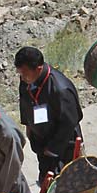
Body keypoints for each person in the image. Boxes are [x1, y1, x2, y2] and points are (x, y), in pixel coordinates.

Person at [14, 45, 83, 178]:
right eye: (20, 73)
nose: (22, 78)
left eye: (24, 73)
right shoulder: (27, 80)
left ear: (38, 69)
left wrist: (51, 149)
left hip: (62, 147)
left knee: (63, 183)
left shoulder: (61, 89)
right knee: (45, 179)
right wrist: (28, 126)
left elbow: (69, 123)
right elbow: (24, 101)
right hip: (41, 142)